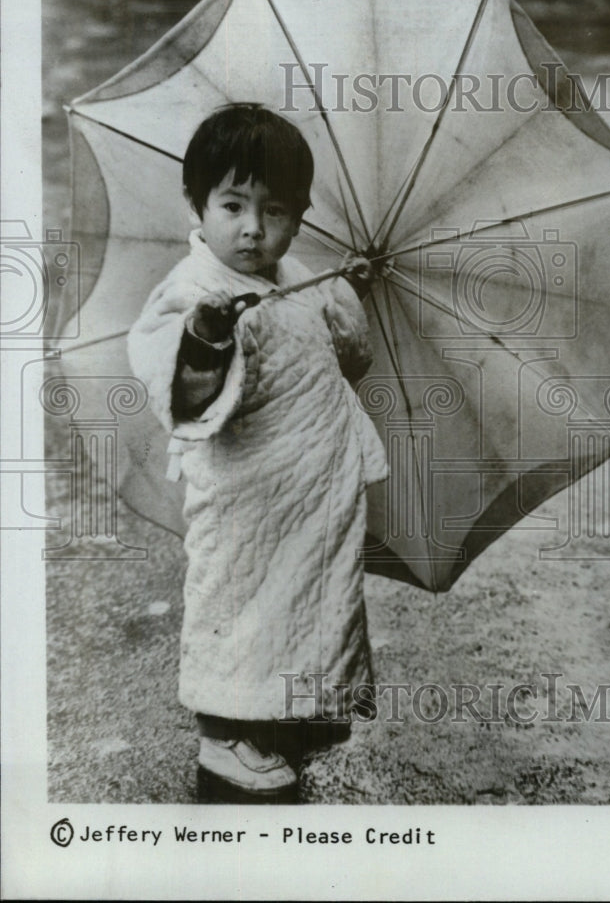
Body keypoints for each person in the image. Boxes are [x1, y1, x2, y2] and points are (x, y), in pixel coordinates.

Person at [127, 104, 388, 801]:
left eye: (273, 211)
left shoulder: (297, 278)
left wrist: (348, 292)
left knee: (304, 602)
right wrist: (206, 338)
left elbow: (339, 360)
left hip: (309, 494)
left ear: (298, 215)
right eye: (233, 205)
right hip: (246, 496)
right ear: (200, 203)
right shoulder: (196, 291)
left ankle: (276, 718)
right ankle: (222, 735)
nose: (252, 228)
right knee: (237, 602)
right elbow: (182, 395)